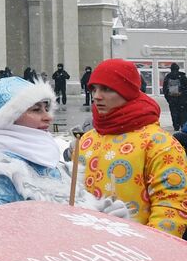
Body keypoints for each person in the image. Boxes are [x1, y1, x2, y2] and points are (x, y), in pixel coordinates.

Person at [0, 77, 125, 215]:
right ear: (7, 119)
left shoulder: (55, 166)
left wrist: (103, 218)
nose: (48, 117)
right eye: (36, 110)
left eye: (47, 108)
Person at [75, 59, 187, 236]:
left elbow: (170, 207)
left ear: (126, 92)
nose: (96, 96)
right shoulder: (86, 140)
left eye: (106, 89)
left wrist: (147, 252)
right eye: (93, 89)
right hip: (87, 250)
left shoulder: (160, 144)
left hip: (136, 254)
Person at [162, 62, 187, 130]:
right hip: (182, 100)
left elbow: (164, 89)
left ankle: (176, 126)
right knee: (183, 113)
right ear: (178, 68)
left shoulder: (168, 77)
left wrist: (168, 99)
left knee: (174, 113)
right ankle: (183, 126)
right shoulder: (182, 76)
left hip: (172, 99)